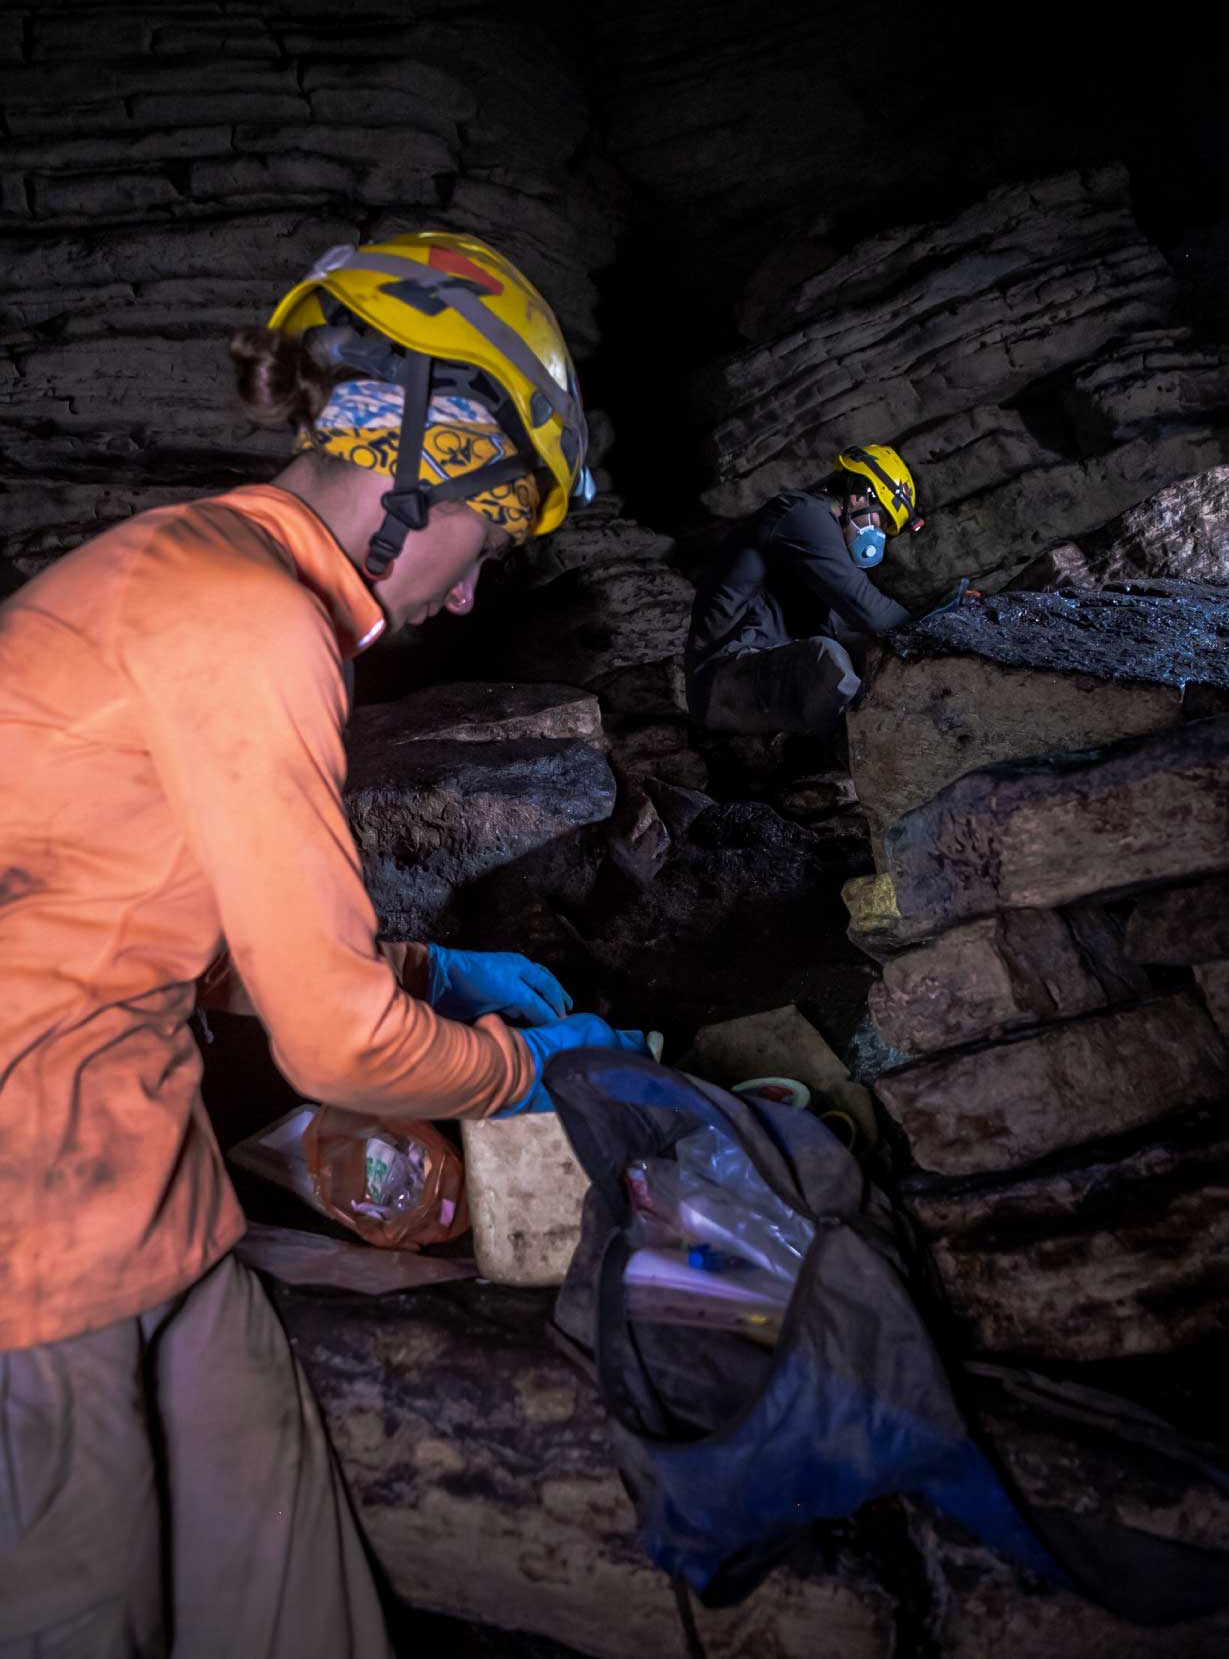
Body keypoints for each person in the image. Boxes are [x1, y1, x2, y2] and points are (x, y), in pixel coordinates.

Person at [0, 230, 645, 1657]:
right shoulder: (246, 618)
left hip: (132, 1166)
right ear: (420, 476)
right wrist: (522, 1067)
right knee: (71, 1595)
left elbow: (152, 908)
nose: (470, 591)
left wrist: (425, 973)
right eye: (492, 534)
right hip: (23, 1214)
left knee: (281, 1569)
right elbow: (330, 1042)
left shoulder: (195, 569)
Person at [684, 444, 921, 739]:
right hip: (723, 680)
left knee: (868, 652)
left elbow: (851, 625)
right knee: (828, 661)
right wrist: (930, 632)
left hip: (770, 669)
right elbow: (867, 609)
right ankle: (865, 747)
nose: (879, 536)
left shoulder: (824, 543)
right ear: (860, 496)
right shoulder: (801, 515)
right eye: (881, 522)